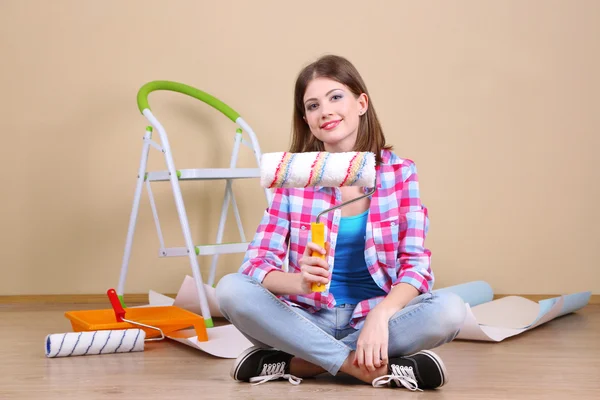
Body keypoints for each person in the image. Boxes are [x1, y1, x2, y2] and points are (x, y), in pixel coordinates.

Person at [215, 54, 466, 391]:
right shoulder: (297, 179)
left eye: (336, 97)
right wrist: (299, 283)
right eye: (313, 105)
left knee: (449, 310)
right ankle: (363, 368)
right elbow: (256, 265)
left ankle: (301, 362)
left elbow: (416, 267)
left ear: (361, 103)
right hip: (306, 318)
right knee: (231, 289)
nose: (326, 111)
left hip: (377, 321)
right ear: (306, 119)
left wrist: (381, 316)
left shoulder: (399, 173)